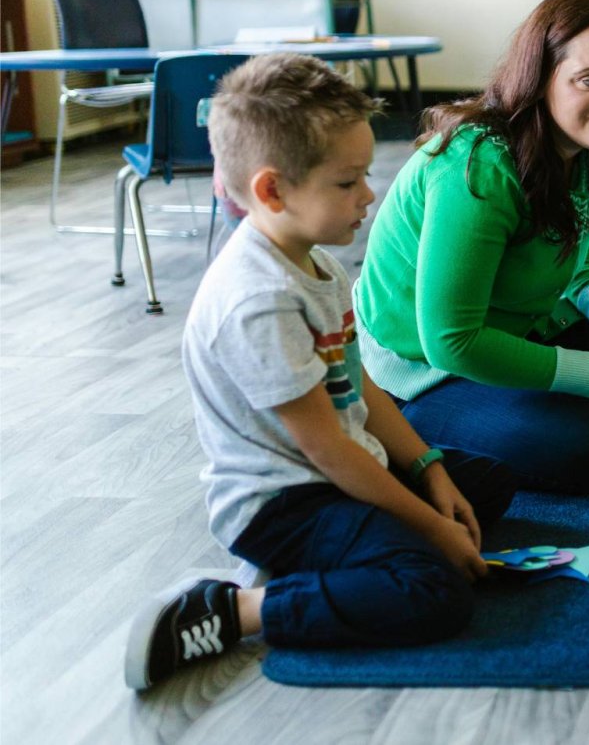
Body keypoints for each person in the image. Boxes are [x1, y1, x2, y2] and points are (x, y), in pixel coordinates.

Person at [124, 54, 518, 691]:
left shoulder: (316, 263)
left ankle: (355, 556)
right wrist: (431, 527)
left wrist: (430, 470)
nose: (369, 196)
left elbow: (361, 387)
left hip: (334, 469)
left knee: (486, 483)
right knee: (433, 591)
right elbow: (328, 448)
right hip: (283, 502)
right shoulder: (258, 300)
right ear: (273, 190)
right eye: (348, 182)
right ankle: (235, 608)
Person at [354, 0, 589, 495]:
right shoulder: (476, 166)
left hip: (522, 330)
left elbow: (575, 236)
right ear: (541, 78)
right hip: (425, 369)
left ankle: (531, 404)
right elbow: (450, 341)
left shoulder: (586, 144)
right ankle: (411, 427)